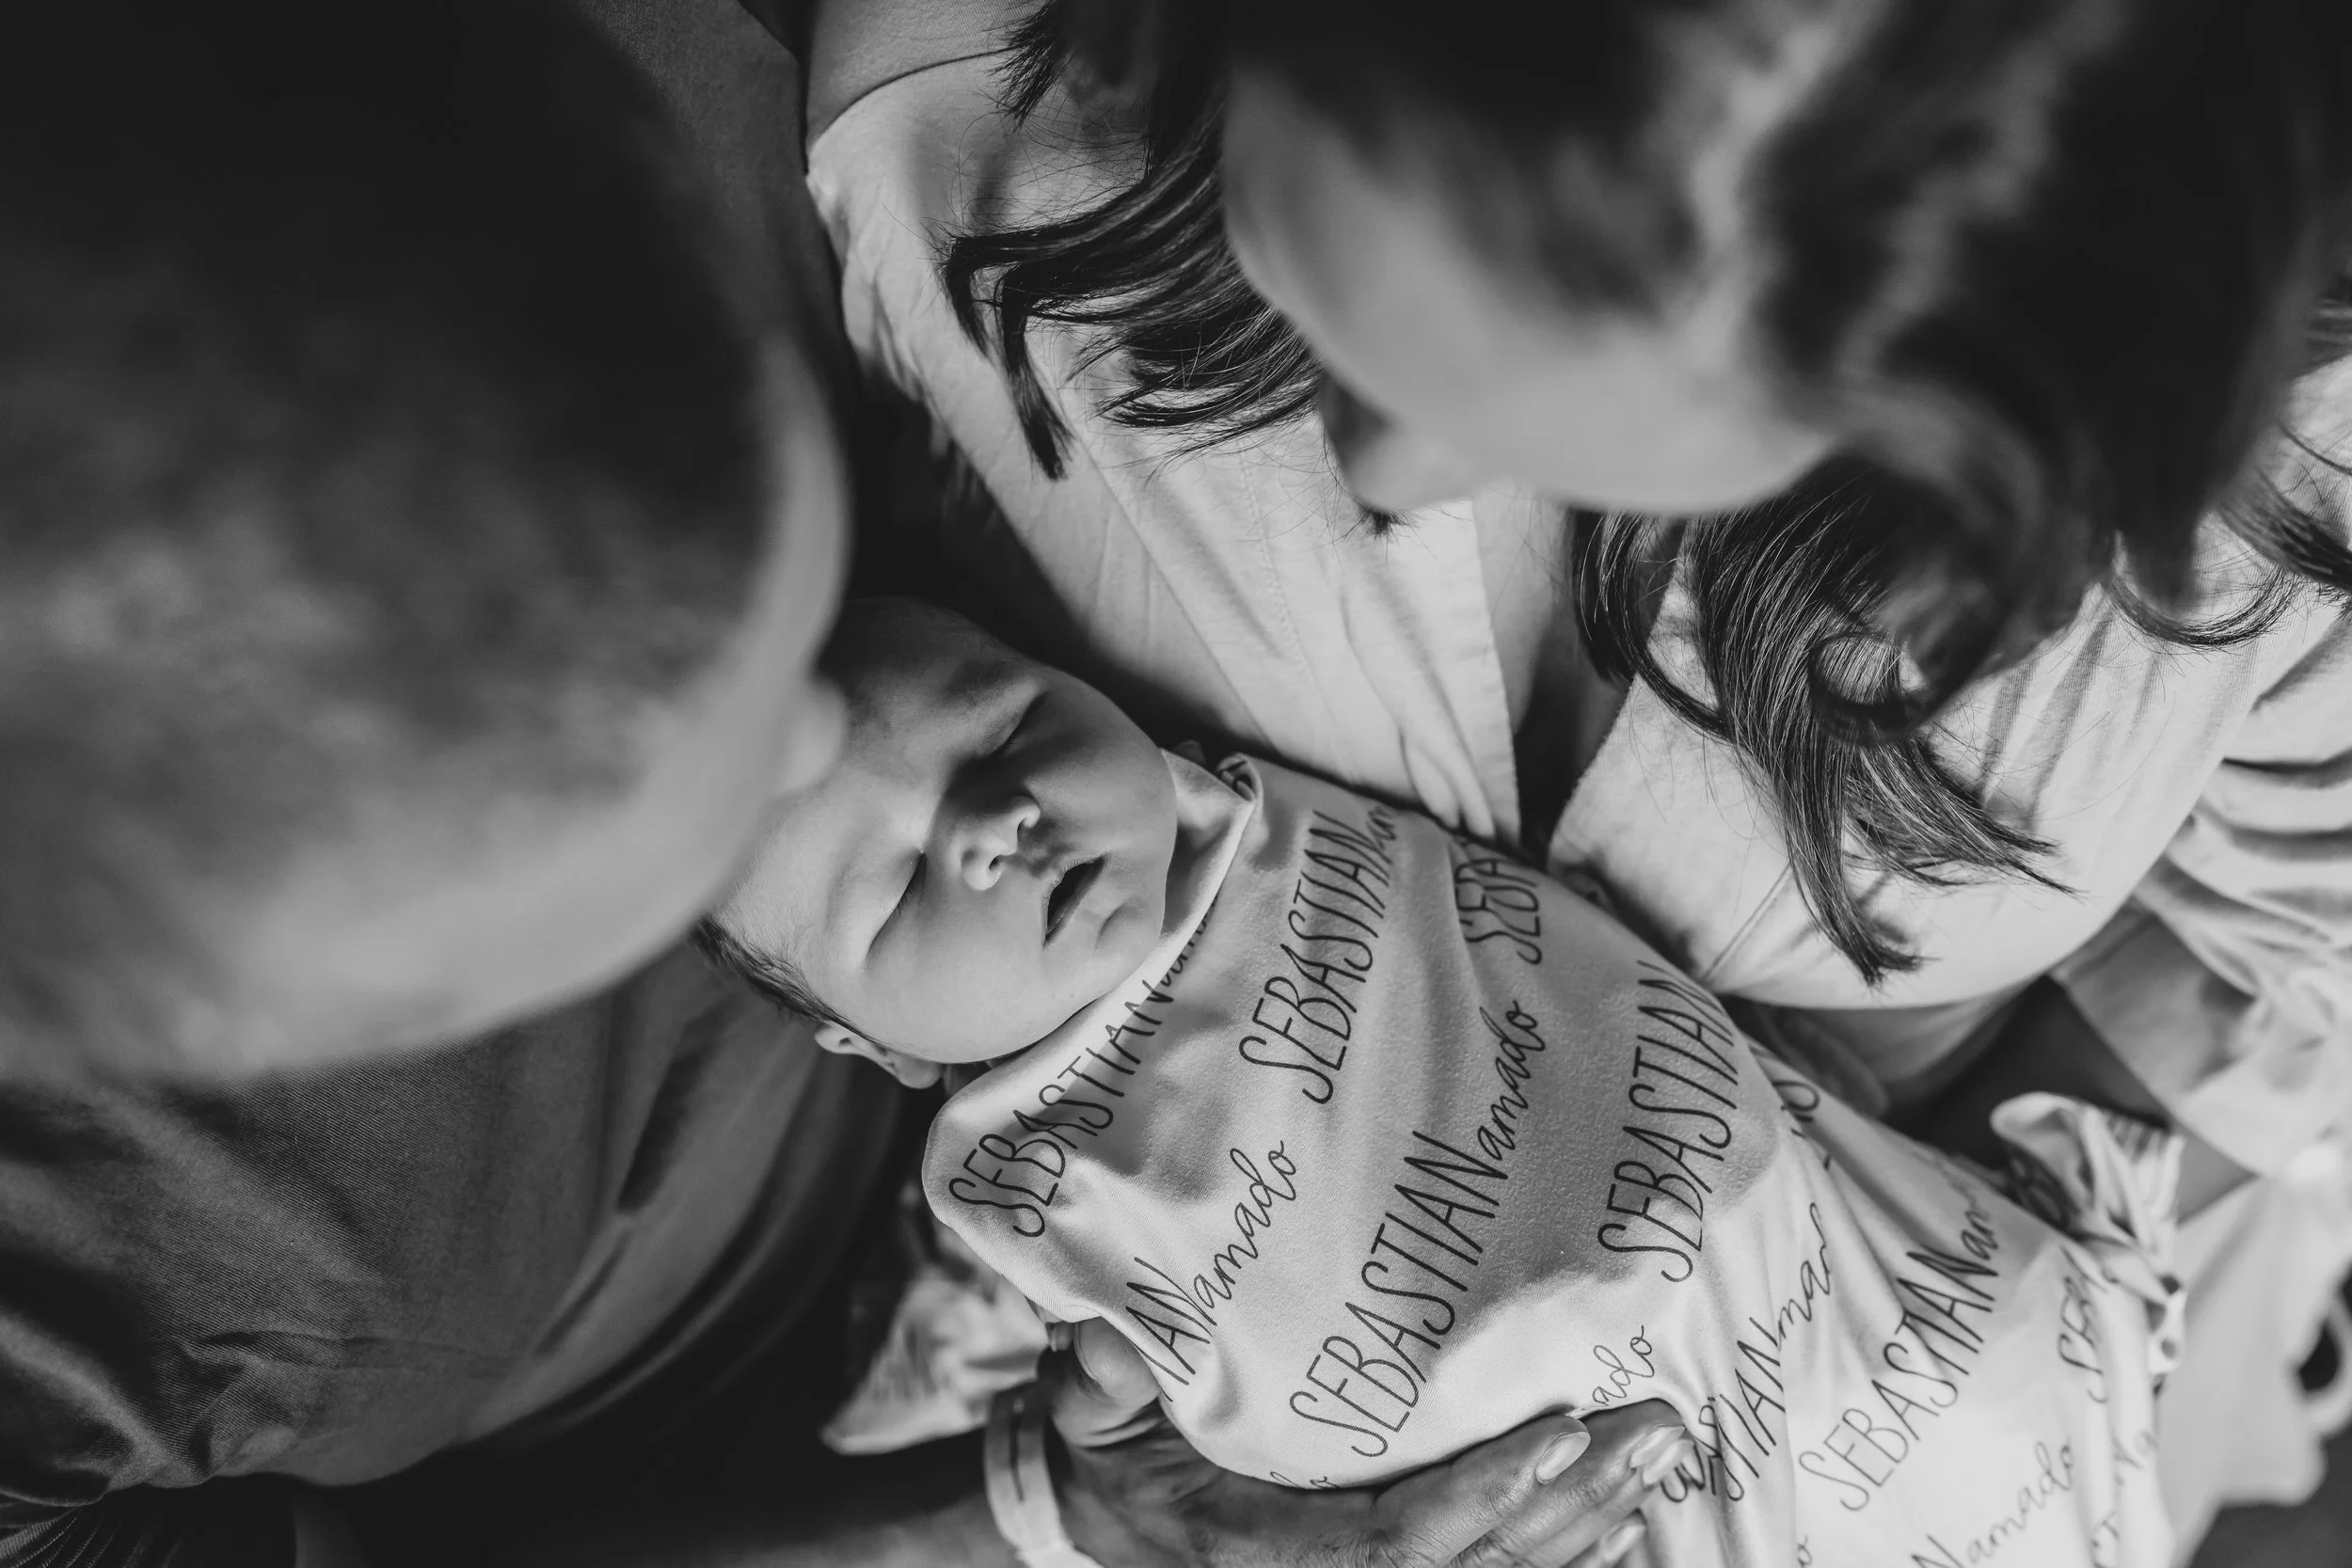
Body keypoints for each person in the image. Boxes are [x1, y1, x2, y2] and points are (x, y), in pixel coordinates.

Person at [0, 4, 1675, 1565]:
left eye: (784, 613)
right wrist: (1046, 1517)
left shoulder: (611, 69)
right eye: (666, 790)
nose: (827, 737)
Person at [803, 0, 2352, 1546]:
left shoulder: (2294, 419)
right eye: (1335, 312)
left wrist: (1884, 1327)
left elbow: (2285, 928)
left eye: (1552, 422)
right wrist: (1107, 1501)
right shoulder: (955, 117)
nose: (1383, 477)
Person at [708, 595, 2188, 1567]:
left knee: (1971, 1380)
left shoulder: (1253, 811)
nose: (999, 821)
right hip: (1553, 1453)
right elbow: (1097, 1382)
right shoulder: (1017, 1176)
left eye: (1012, 721)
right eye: (895, 891)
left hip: (1793, 1254)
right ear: (882, 1044)